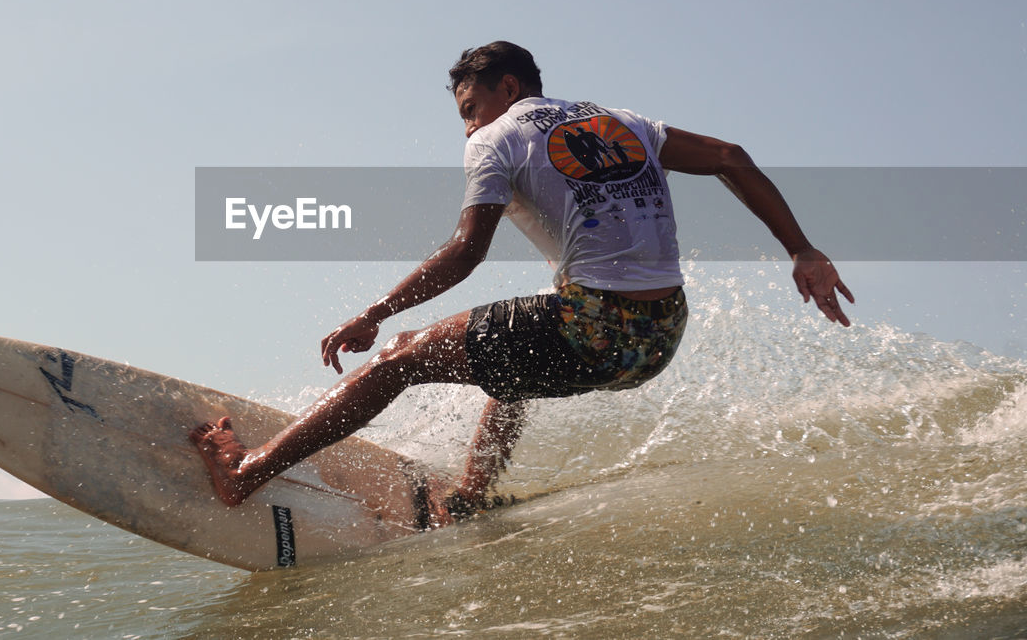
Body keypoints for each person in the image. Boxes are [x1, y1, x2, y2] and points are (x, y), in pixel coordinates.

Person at [191, 41, 853, 517]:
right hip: (656, 338)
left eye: (470, 106)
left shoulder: (497, 136)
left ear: (508, 88)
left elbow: (464, 251)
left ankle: (245, 473)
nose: (469, 123)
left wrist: (377, 312)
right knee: (511, 344)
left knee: (400, 358)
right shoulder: (625, 122)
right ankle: (473, 493)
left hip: (592, 329)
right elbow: (731, 156)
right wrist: (802, 249)